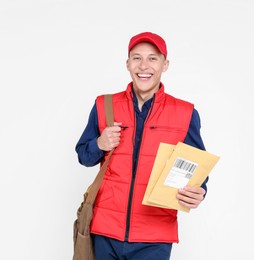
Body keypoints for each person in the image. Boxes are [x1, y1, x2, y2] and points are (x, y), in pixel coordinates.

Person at [75, 31, 209, 260]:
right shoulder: (103, 105)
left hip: (154, 237)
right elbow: (84, 156)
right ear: (128, 63)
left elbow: (196, 168)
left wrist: (200, 191)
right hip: (106, 231)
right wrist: (99, 143)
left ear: (165, 64)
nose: (143, 66)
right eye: (137, 58)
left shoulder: (185, 113)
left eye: (152, 58)